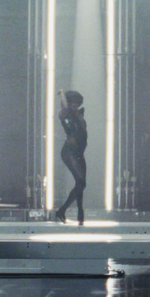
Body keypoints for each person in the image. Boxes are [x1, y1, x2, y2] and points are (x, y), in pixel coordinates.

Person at [55, 90, 87, 225]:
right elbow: (64, 106)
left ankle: (80, 212)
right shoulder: (66, 114)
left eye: (76, 103)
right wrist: (62, 93)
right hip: (70, 152)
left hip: (79, 152)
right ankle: (62, 210)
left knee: (81, 183)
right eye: (72, 103)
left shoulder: (78, 115)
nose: (75, 105)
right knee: (81, 181)